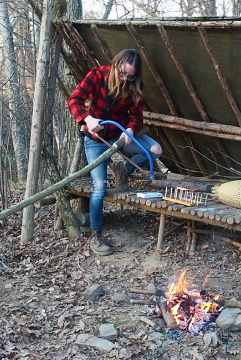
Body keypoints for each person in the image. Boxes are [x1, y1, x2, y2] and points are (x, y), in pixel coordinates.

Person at [68, 48, 163, 256]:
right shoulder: (96, 75)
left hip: (119, 137)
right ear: (115, 64)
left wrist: (130, 129)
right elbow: (74, 100)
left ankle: (124, 168)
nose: (125, 78)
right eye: (122, 73)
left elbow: (137, 118)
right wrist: (87, 119)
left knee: (155, 149)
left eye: (130, 76)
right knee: (100, 187)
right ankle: (96, 235)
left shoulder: (134, 88)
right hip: (97, 140)